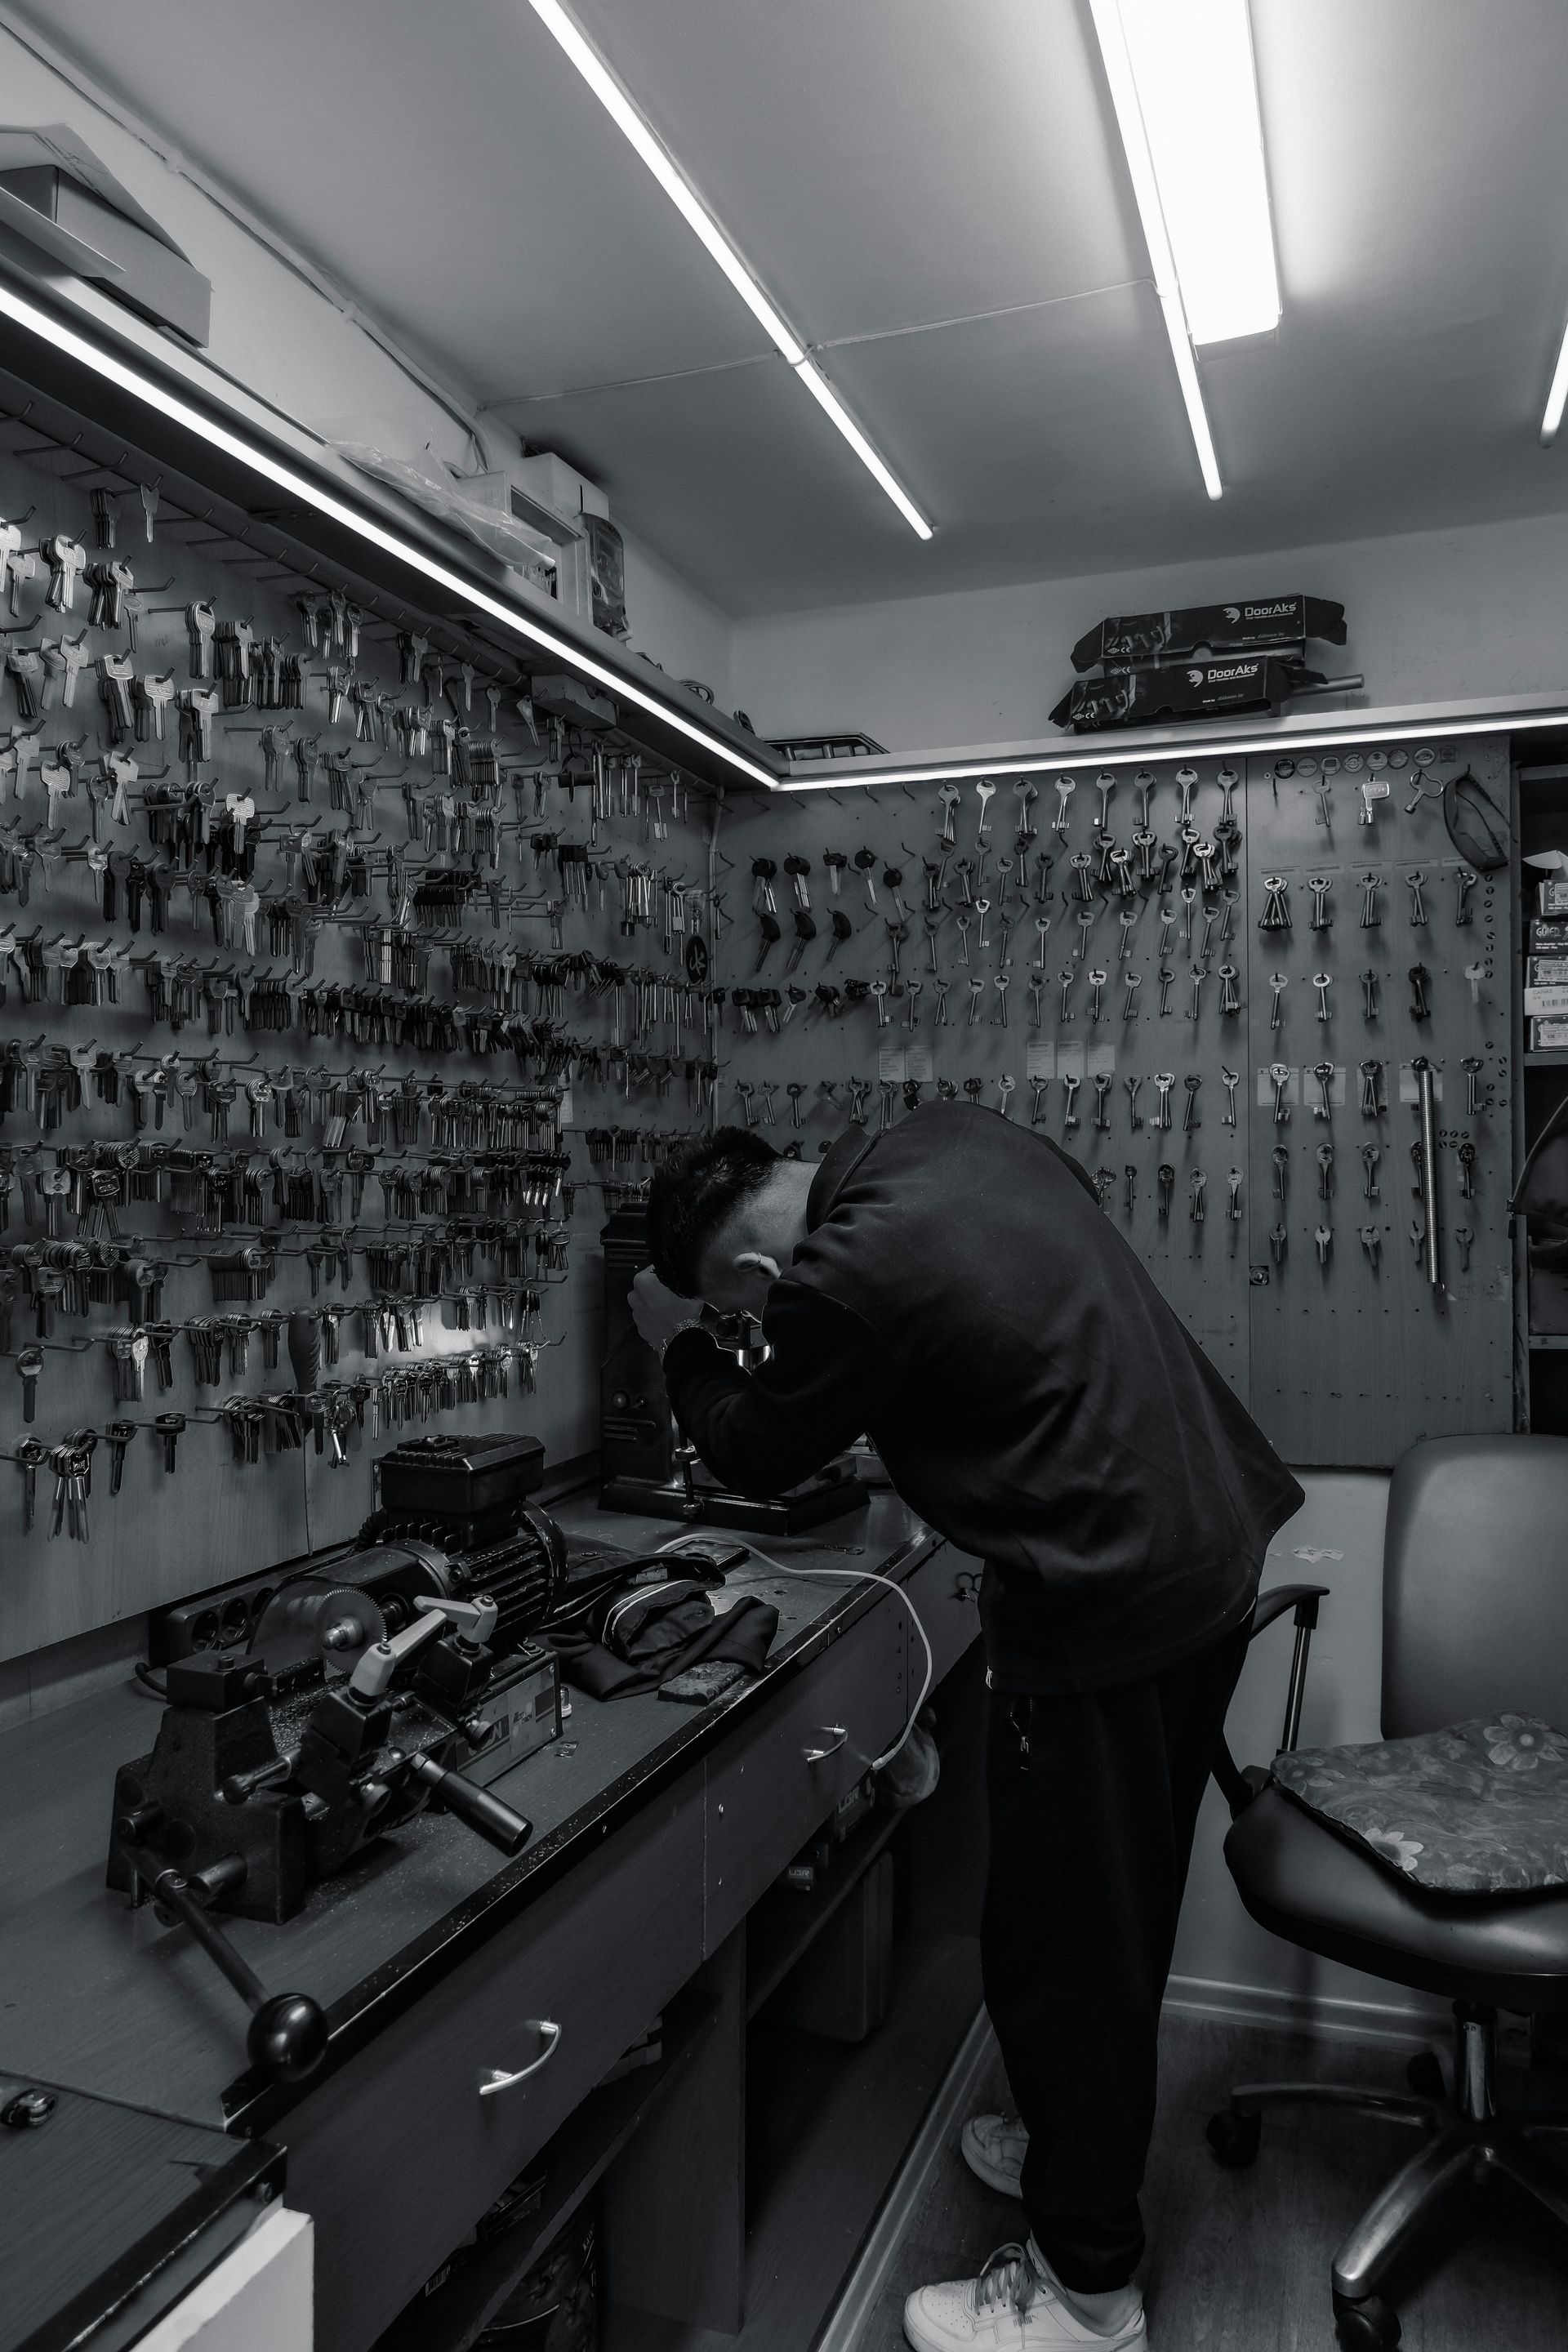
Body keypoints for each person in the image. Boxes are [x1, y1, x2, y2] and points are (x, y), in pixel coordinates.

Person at [632, 1102, 1304, 2352]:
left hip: (1107, 1599)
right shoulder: (951, 1137)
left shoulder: (840, 1273)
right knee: (1095, 1907)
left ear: (758, 1268)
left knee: (1073, 1944)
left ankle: (1087, 2295)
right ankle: (1067, 2147)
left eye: (743, 1307)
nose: (757, 1322)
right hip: (1200, 1555)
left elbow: (757, 1449)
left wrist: (682, 1348)